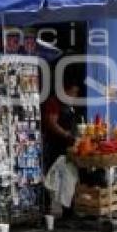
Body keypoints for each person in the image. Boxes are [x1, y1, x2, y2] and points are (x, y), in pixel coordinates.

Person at [42, 79, 80, 218]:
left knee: (68, 178)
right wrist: (66, 134)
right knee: (51, 176)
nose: (75, 95)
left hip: (66, 147)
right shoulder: (54, 103)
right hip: (54, 146)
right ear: (65, 90)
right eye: (73, 92)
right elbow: (52, 123)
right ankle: (46, 210)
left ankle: (68, 209)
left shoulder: (68, 105)